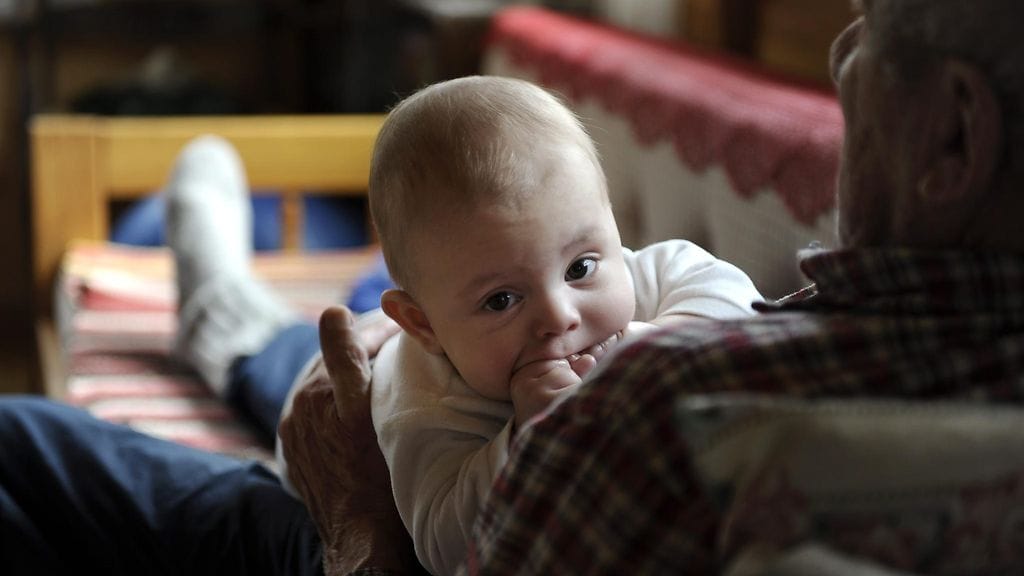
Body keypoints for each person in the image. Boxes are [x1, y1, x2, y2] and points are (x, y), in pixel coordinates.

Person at [4, 0, 1024, 573]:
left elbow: (443, 529)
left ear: (955, 134)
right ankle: (255, 294)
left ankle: (223, 300)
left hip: (362, 504)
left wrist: (362, 519)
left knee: (43, 430)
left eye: (871, 27)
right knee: (378, 341)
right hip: (431, 367)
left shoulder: (635, 406)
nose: (840, 54)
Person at [310, 75, 761, 575]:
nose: (560, 316)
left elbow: (742, 306)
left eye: (579, 268)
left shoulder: (643, 276)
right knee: (280, 365)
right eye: (502, 300)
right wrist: (527, 438)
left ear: (613, 227)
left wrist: (650, 347)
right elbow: (441, 549)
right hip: (353, 377)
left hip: (429, 310)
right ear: (424, 326)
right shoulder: (424, 400)